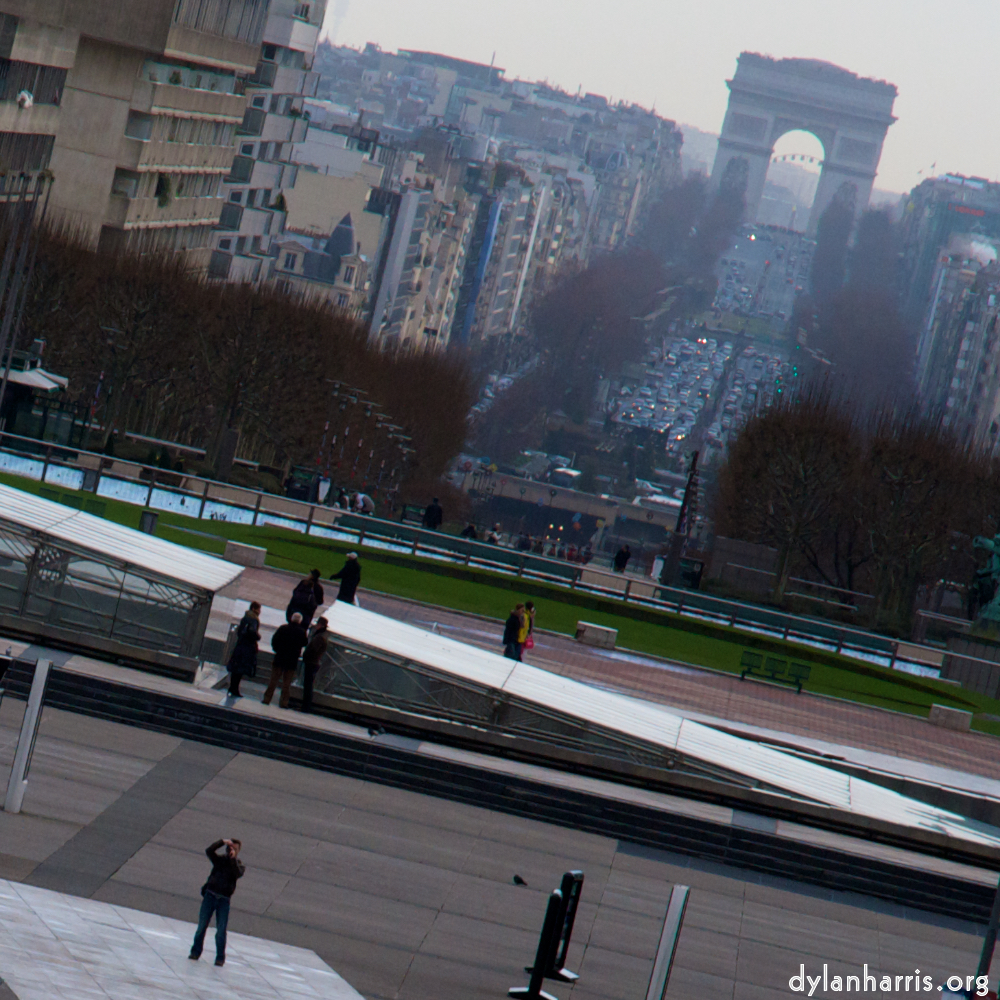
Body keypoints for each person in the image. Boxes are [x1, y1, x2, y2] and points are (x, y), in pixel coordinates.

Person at [189, 838, 244, 967]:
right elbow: (209, 851)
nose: (232, 851)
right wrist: (221, 842)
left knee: (221, 930)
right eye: (230, 848)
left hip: (224, 900)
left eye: (235, 849)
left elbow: (236, 873)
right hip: (211, 895)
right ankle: (195, 952)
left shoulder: (239, 865)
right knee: (202, 926)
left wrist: (233, 859)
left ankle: (220, 957)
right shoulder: (219, 861)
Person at [262, 613, 308, 708]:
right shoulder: (302, 632)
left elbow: (274, 640)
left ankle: (267, 699)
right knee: (286, 684)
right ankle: (284, 702)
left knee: (273, 680)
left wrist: (277, 649)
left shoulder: (283, 628)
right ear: (300, 621)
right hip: (292, 661)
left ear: (291, 619)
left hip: (280, 657)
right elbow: (305, 643)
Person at [226, 602, 261, 698]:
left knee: (236, 668)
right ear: (254, 609)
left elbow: (240, 631)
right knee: (241, 669)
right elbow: (252, 632)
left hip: (240, 644)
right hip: (247, 647)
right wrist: (258, 637)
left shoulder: (245, 618)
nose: (259, 612)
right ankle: (235, 689)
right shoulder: (253, 619)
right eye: (259, 609)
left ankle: (232, 687)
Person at [301, 616, 329, 713]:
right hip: (313, 662)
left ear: (320, 625)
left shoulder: (319, 636)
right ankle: (306, 706)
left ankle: (306, 706)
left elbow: (313, 649)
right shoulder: (321, 635)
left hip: (312, 662)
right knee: (308, 684)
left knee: (308, 684)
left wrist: (306, 655)